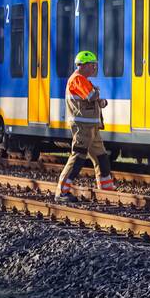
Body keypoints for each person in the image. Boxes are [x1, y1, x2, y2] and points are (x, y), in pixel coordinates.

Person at [56, 51, 115, 201]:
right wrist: (97, 95)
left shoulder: (84, 80)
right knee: (78, 157)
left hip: (92, 128)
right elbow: (91, 96)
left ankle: (106, 188)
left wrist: (99, 100)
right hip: (82, 127)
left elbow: (92, 99)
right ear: (84, 65)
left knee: (101, 157)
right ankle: (62, 192)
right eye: (92, 65)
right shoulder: (77, 79)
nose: (94, 68)